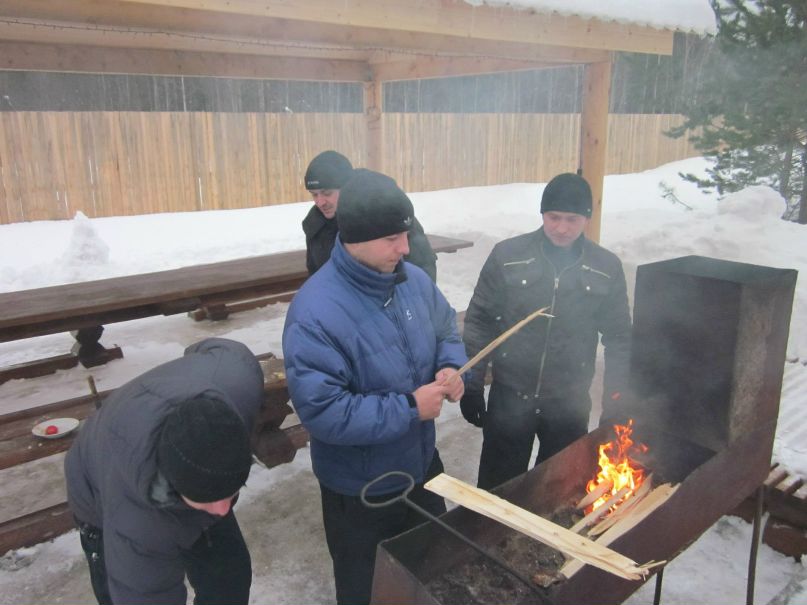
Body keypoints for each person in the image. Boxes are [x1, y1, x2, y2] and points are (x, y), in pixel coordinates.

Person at [283, 169, 467, 605]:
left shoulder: (413, 282)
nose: (405, 248)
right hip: (361, 491)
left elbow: (448, 332)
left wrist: (452, 368)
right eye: (391, 239)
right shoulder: (315, 312)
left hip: (421, 467)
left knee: (430, 575)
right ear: (354, 238)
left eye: (405, 234)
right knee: (368, 592)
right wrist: (408, 408)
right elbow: (323, 413)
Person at [460, 173, 632, 490]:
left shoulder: (605, 267)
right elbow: (480, 321)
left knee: (557, 492)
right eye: (554, 217)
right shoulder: (508, 256)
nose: (562, 228)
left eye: (572, 219)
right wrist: (471, 384)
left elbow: (620, 338)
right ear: (542, 214)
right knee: (498, 492)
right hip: (510, 399)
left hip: (568, 405)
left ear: (587, 219)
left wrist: (616, 400)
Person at [64, 338, 264, 605]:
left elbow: (226, 350)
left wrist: (211, 495)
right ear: (175, 485)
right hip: (98, 490)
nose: (223, 510)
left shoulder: (236, 381)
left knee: (229, 578)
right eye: (209, 499)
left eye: (233, 491)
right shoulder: (137, 526)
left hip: (192, 468)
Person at [302, 150, 438, 280]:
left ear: (347, 186)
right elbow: (315, 273)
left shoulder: (383, 209)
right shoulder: (315, 224)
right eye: (314, 194)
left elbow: (423, 267)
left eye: (327, 193)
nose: (320, 202)